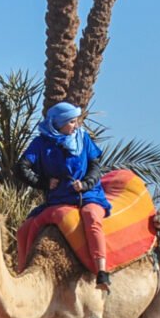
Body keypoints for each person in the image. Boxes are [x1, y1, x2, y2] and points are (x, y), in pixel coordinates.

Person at [17, 102, 111, 289]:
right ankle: (23, 276)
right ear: (58, 123)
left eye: (76, 121)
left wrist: (85, 184)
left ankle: (102, 271)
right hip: (58, 199)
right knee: (25, 229)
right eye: (71, 122)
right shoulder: (41, 143)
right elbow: (22, 167)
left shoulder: (82, 138)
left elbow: (95, 165)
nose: (75, 126)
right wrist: (44, 183)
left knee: (91, 216)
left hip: (88, 195)